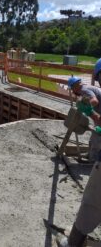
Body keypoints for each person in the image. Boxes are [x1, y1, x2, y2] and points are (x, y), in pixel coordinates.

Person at [58, 76, 101, 246]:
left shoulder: (85, 91)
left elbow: (94, 101)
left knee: (92, 200)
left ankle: (73, 243)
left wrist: (89, 110)